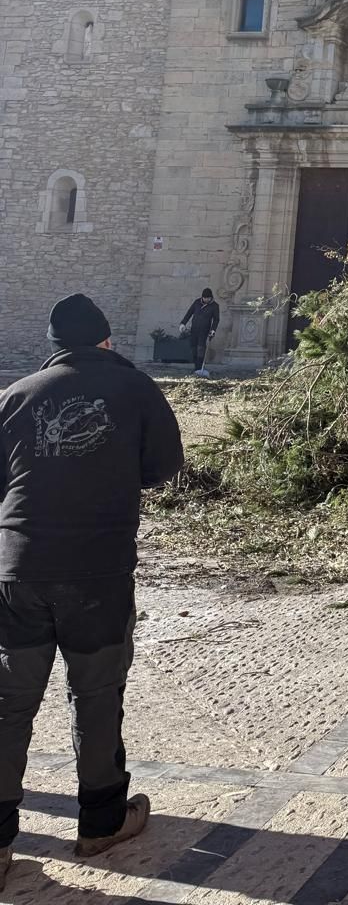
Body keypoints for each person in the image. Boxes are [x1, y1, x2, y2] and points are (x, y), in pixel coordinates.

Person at [0, 293, 184, 881]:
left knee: (7, 704)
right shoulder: (137, 389)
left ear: (54, 346)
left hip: (18, 569)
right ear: (106, 340)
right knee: (97, 694)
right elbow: (161, 469)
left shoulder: (16, 395)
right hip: (98, 574)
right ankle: (101, 822)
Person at [180, 288, 220, 375]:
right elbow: (189, 313)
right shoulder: (197, 302)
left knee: (201, 348)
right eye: (205, 298)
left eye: (208, 298)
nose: (206, 300)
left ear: (211, 297)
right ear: (202, 297)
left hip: (204, 330)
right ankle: (196, 367)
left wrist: (213, 330)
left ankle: (199, 368)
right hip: (194, 329)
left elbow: (216, 319)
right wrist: (183, 323)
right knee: (193, 348)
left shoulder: (214, 306)